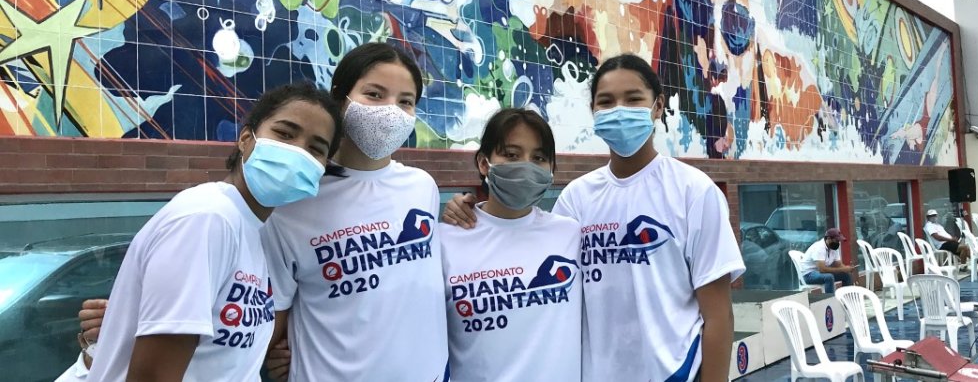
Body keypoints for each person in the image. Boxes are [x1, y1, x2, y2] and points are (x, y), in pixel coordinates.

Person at [445, 53, 743, 381]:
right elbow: (521, 241)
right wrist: (469, 213)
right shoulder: (576, 198)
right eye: (606, 101)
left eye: (633, 100)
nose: (619, 111)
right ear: (594, 111)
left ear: (657, 107)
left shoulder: (694, 192)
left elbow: (718, 317)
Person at [86, 83, 342, 382]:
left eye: (316, 148)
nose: (297, 152)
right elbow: (155, 375)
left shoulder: (252, 232)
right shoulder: (207, 218)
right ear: (246, 139)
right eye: (285, 134)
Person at [259, 42, 448, 381]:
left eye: (405, 101)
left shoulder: (423, 188)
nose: (391, 110)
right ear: (339, 98)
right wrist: (270, 358)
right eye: (374, 94)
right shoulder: (295, 203)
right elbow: (273, 320)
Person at [441, 108, 582, 381]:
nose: (526, 166)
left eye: (539, 158)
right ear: (484, 163)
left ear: (552, 169)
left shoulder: (571, 235)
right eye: (511, 155)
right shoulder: (445, 240)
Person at [796, 228, 856, 294]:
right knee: (829, 277)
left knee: (846, 275)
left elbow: (838, 264)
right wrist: (842, 269)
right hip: (809, 275)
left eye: (839, 241)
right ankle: (830, 301)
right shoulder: (819, 248)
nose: (838, 243)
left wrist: (847, 269)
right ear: (829, 239)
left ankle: (847, 299)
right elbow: (822, 269)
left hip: (820, 273)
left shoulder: (834, 247)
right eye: (836, 240)